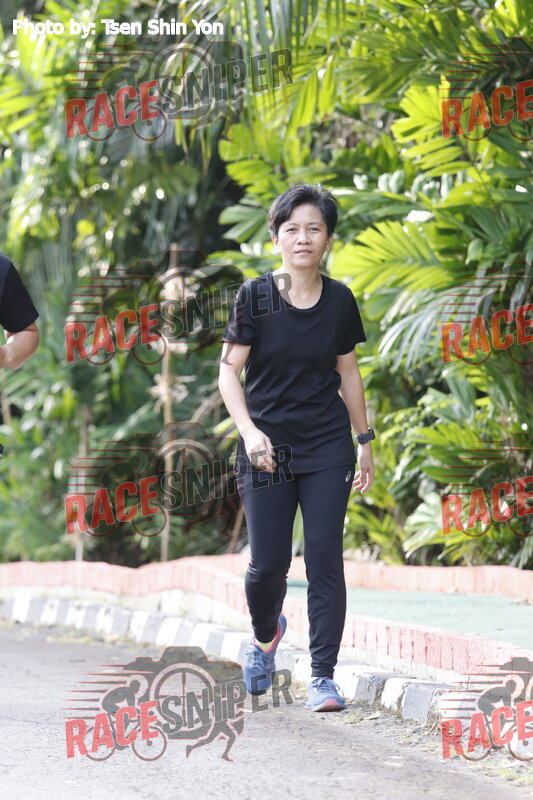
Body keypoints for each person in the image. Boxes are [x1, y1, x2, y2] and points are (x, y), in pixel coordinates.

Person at [218, 184, 374, 712]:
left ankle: (323, 676)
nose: (303, 238)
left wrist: (364, 440)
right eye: (292, 229)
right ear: (276, 238)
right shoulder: (255, 297)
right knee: (268, 565)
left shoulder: (340, 299)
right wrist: (248, 431)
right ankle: (266, 637)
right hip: (266, 448)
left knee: (325, 559)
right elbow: (228, 372)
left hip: (327, 444)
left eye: (314, 228)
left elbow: (348, 373)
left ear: (327, 238)